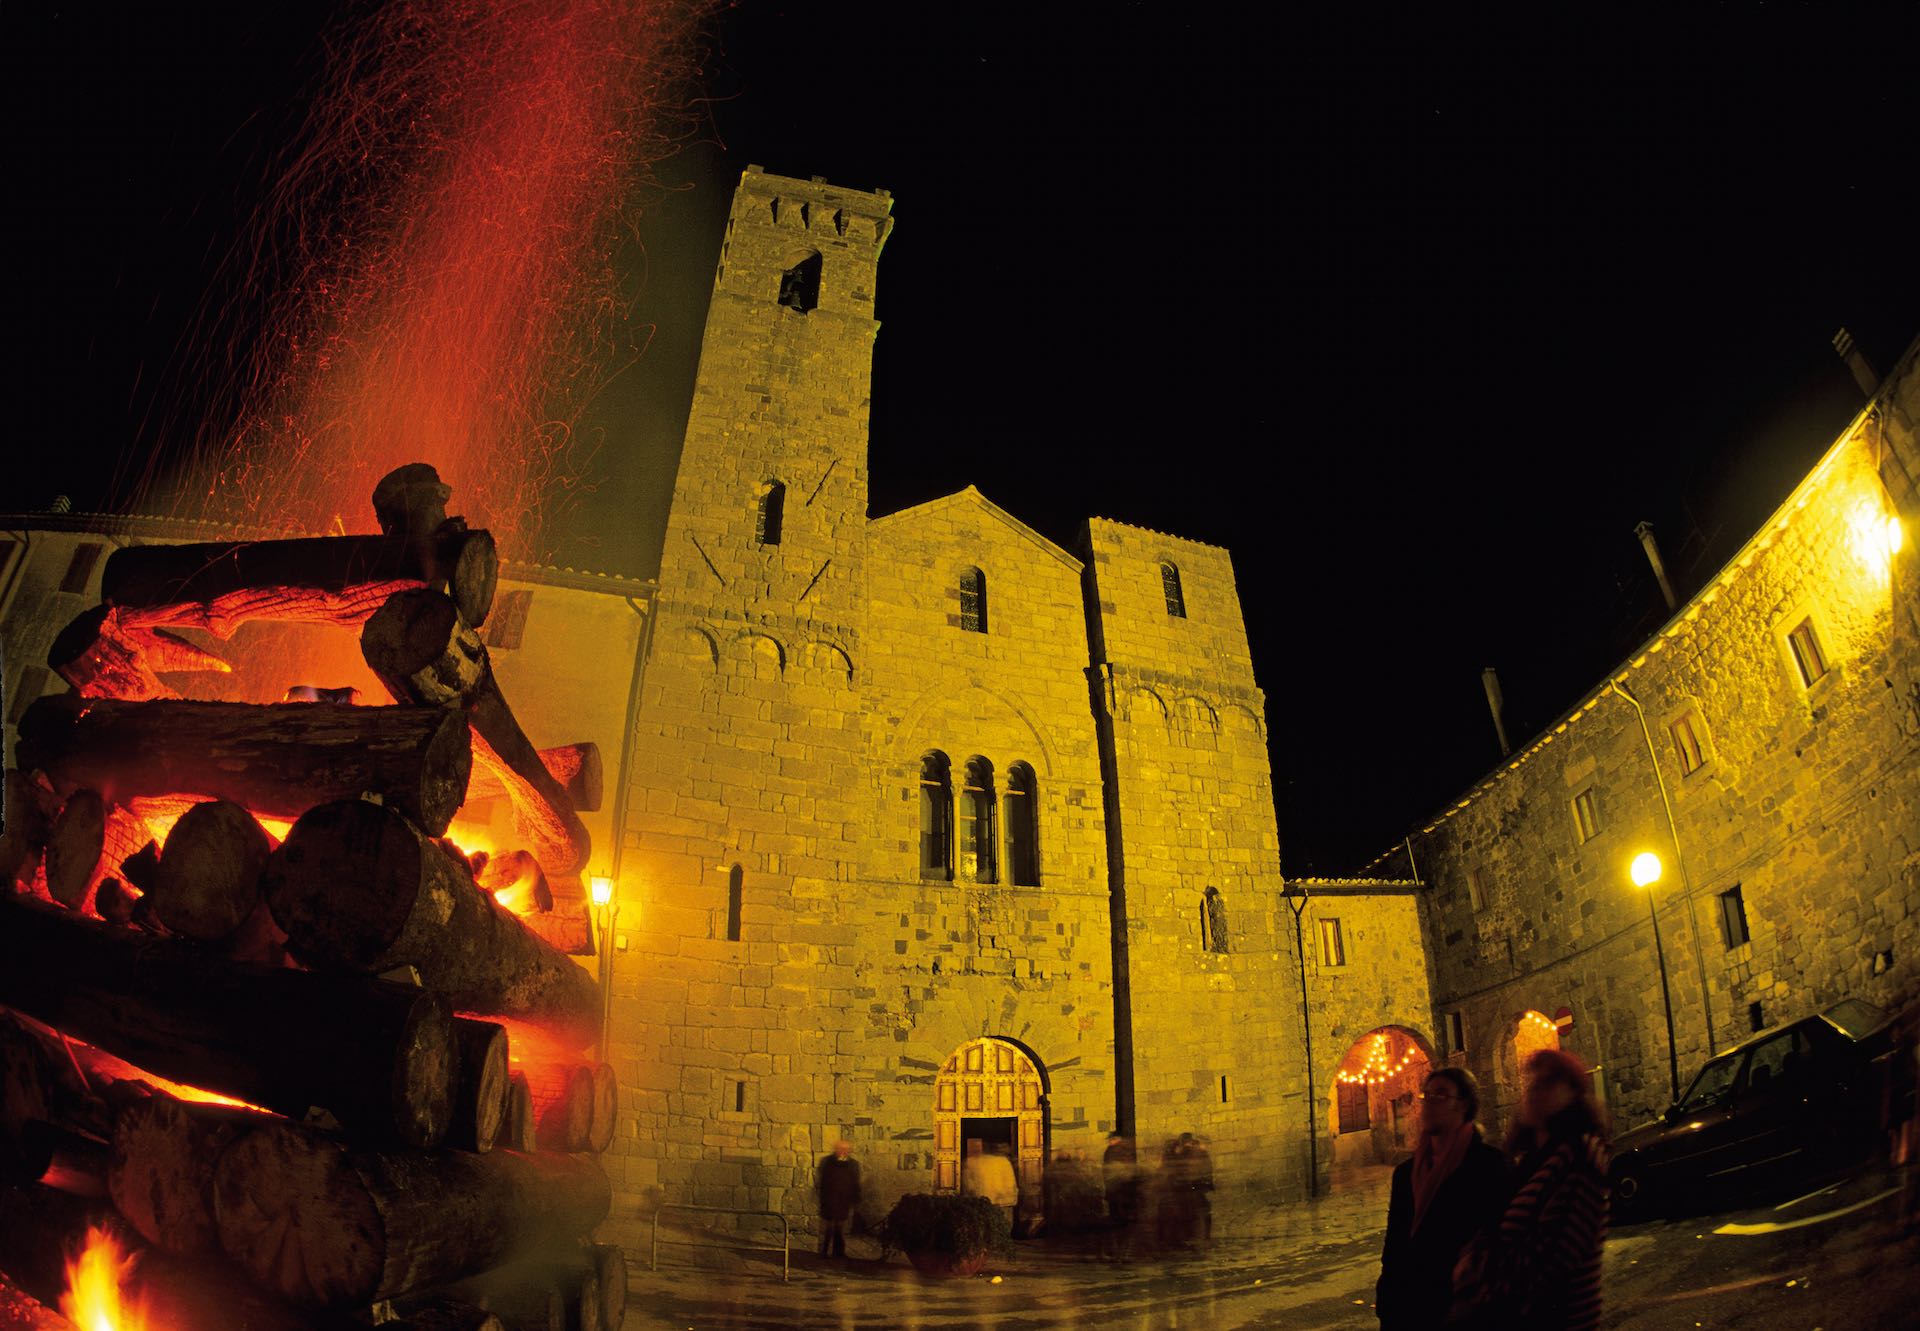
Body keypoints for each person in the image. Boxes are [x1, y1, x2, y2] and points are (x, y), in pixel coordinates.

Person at [1451, 1049, 1610, 1331]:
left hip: (1558, 1319)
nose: (1534, 1089)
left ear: (1572, 1093)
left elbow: (1557, 1256)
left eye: (1548, 1081)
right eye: (1532, 1081)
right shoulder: (1531, 1160)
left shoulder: (1580, 1156)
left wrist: (1487, 1280)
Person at [1374, 1067, 1509, 1331]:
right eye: (1427, 1095)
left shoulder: (1490, 1167)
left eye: (1441, 1095)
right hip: (1409, 1310)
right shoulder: (1404, 1175)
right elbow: (1394, 1248)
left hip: (1463, 1312)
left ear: (1465, 1104)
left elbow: (1500, 1246)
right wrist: (1388, 1300)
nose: (1429, 1103)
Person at [816, 1138, 860, 1259]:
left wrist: (855, 1200)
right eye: (840, 1149)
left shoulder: (853, 1164)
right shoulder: (827, 1162)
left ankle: (838, 1252)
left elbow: (855, 1183)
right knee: (827, 1228)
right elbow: (822, 1181)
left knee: (840, 1228)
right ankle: (823, 1251)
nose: (843, 1151)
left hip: (844, 1202)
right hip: (829, 1201)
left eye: (845, 1149)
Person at [962, 1139, 1019, 1229]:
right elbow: (1010, 1183)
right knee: (1004, 1228)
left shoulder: (970, 1162)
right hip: (1004, 1202)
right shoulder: (1004, 1161)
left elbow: (968, 1185)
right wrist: (1012, 1198)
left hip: (982, 1202)